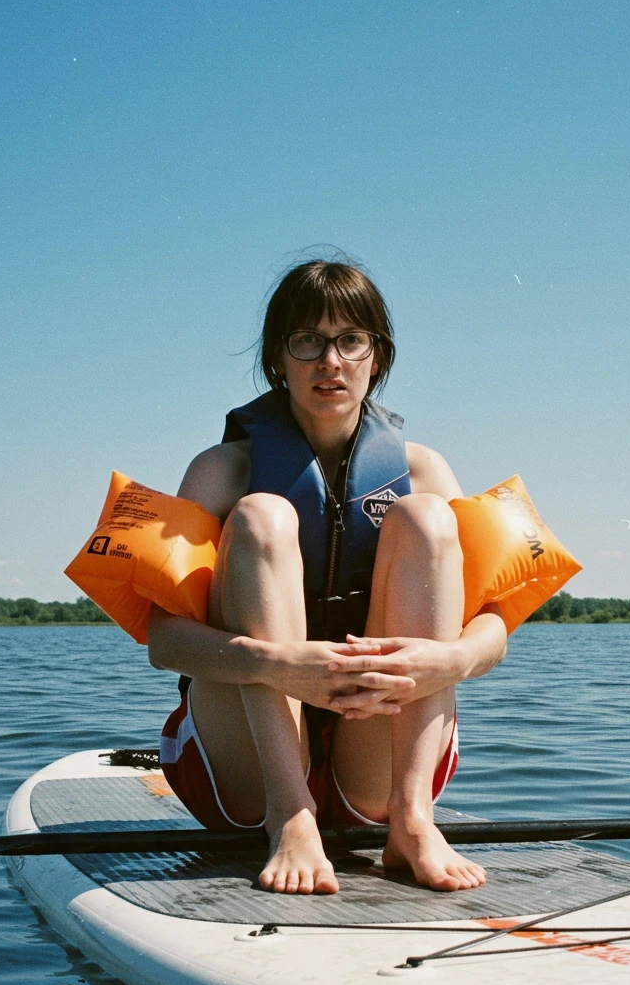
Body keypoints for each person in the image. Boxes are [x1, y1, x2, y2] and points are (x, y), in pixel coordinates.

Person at [148, 259, 507, 895]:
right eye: (306, 341)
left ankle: (414, 821)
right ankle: (292, 814)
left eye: (350, 341)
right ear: (277, 359)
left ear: (378, 355)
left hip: (376, 747)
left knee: (426, 520)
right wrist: (275, 662)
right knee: (261, 515)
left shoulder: (423, 471)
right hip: (245, 762)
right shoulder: (220, 472)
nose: (329, 361)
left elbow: (494, 629)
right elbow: (164, 642)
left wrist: (448, 661)